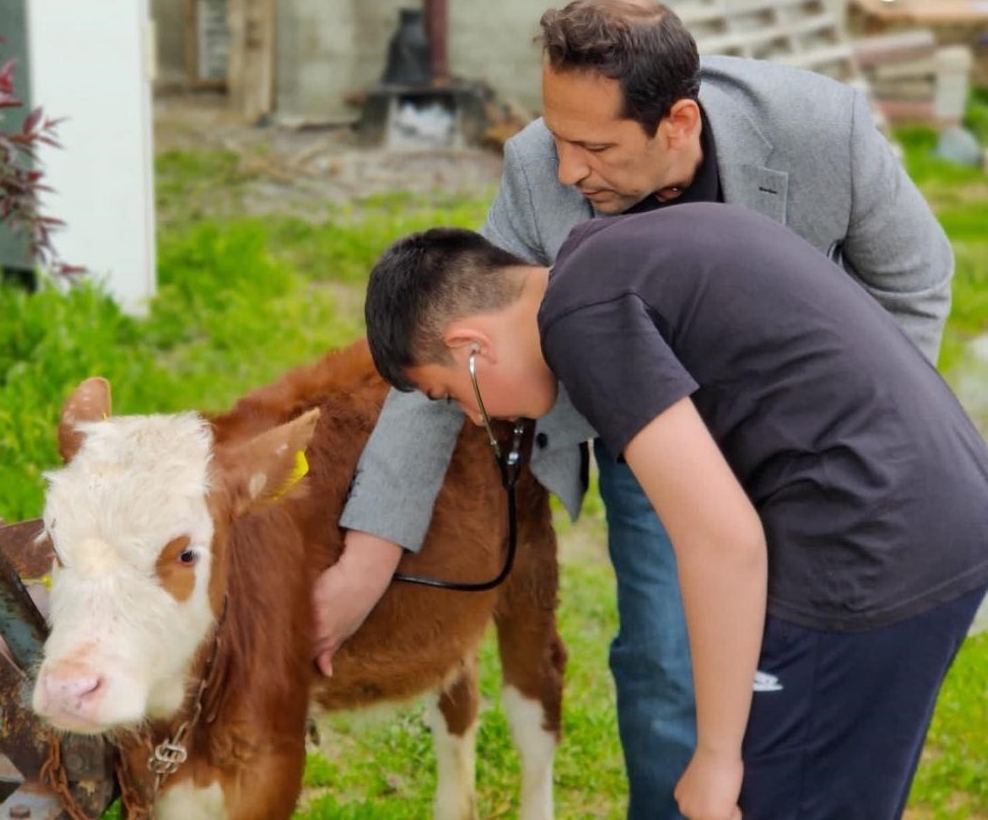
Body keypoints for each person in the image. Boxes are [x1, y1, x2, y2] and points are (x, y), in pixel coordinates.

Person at [313, 0, 954, 818]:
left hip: (815, 453)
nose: (567, 171)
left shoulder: (820, 129)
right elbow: (450, 342)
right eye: (555, 138)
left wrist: (871, 439)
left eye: (594, 147)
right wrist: (366, 562)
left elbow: (916, 278)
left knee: (797, 668)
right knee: (665, 665)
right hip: (648, 446)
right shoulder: (537, 172)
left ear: (678, 124)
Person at [363, 211, 988, 820]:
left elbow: (723, 543)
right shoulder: (607, 256)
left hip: (867, 542)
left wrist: (716, 759)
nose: (476, 418)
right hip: (937, 505)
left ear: (471, 348)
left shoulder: (582, 325)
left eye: (450, 394)